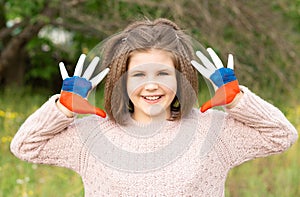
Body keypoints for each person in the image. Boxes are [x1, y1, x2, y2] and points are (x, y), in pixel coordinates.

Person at [10, 18, 298, 196]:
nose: (151, 85)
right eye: (138, 75)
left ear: (180, 78)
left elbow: (281, 135)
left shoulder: (213, 130)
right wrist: (63, 108)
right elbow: (25, 146)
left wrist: (238, 100)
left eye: (162, 74)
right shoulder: (92, 135)